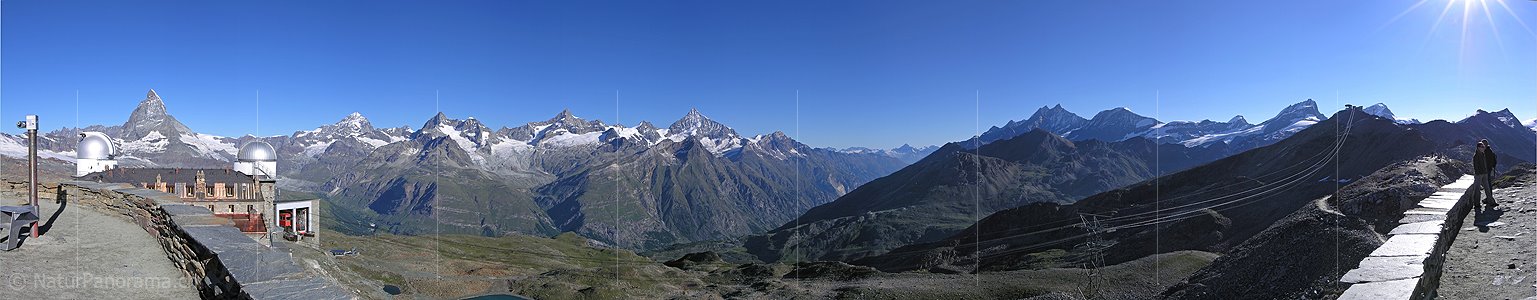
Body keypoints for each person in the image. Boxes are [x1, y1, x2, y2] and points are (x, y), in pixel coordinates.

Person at [1472, 139, 1498, 209]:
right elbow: (1475, 165)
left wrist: (1486, 171)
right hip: (1479, 174)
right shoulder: (1476, 156)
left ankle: (1491, 202)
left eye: (1483, 146)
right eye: (1482, 147)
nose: (1483, 148)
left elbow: (1485, 164)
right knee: (1477, 189)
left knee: (1487, 188)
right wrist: (1478, 173)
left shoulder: (1483, 154)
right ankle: (1477, 204)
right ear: (1478, 148)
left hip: (1485, 173)